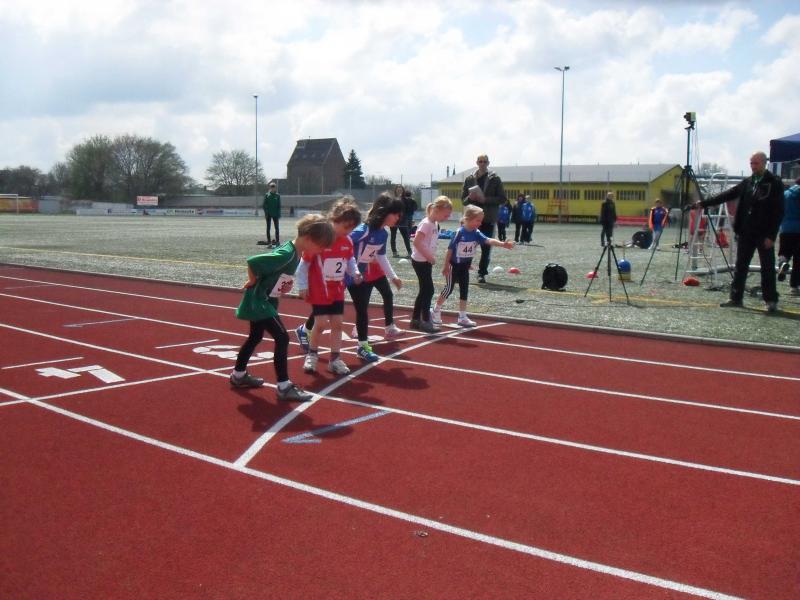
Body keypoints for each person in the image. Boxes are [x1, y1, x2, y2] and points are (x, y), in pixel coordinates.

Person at [229, 214, 334, 400]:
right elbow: (254, 261)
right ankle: (284, 387)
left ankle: (238, 375)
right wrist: (252, 280)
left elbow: (275, 273)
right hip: (259, 302)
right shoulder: (287, 254)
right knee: (282, 337)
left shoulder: (295, 252)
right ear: (308, 238)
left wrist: (283, 284)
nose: (322, 250)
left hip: (265, 301)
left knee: (255, 337)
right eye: (320, 246)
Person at [694, 151, 784, 312]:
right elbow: (728, 194)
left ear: (764, 163)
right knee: (740, 266)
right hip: (745, 232)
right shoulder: (747, 182)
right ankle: (735, 298)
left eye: (756, 163)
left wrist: (771, 235)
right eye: (751, 163)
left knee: (767, 267)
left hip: (764, 233)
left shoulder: (774, 183)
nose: (753, 166)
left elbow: (779, 211)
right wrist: (705, 203)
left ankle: (771, 300)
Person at [294, 197, 363, 375]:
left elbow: (349, 259)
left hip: (337, 289)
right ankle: (312, 354)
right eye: (346, 227)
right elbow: (303, 264)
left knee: (338, 323)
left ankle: (335, 359)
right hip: (319, 290)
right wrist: (302, 285)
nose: (349, 231)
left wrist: (355, 272)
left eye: (352, 228)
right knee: (321, 323)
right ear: (334, 220)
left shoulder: (347, 241)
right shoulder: (321, 240)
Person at [431, 205, 514, 327]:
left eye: (481, 221)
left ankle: (462, 317)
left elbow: (488, 240)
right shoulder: (459, 233)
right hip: (454, 266)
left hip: (464, 266)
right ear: (468, 219)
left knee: (464, 290)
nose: (480, 223)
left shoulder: (476, 233)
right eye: (478, 220)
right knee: (449, 289)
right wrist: (446, 266)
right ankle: (436, 310)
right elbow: (450, 250)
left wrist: (502, 244)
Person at [348, 193, 404, 362]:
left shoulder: (383, 234)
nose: (398, 218)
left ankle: (362, 347)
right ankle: (305, 329)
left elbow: (381, 256)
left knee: (361, 311)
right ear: (384, 212)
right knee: (326, 309)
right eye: (396, 214)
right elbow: (343, 243)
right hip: (344, 274)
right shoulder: (363, 231)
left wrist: (393, 277)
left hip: (359, 277)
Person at [410, 195, 453, 333]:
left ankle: (415, 320)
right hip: (420, 261)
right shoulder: (427, 223)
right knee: (429, 290)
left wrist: (430, 257)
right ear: (437, 210)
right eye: (445, 215)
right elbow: (416, 242)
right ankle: (425, 321)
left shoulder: (434, 224)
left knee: (424, 290)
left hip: (425, 261)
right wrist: (430, 257)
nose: (447, 218)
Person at [462, 154, 505, 283]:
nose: (482, 163)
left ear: (488, 163)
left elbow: (502, 198)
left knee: (486, 248)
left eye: (484, 161)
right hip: (472, 219)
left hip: (488, 218)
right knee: (467, 246)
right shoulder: (469, 179)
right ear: (476, 162)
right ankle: (462, 271)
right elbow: (463, 200)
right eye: (480, 161)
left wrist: (485, 199)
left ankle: (482, 273)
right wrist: (470, 198)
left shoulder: (495, 179)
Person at [777, 177, 800, 295]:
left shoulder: (785, 194)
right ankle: (794, 287)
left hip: (785, 228)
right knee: (798, 260)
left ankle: (782, 264)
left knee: (784, 252)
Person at [390, 184, 413, 258]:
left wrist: (409, 218)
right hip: (393, 220)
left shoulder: (406, 200)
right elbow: (389, 209)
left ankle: (409, 252)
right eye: (398, 190)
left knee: (406, 236)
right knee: (393, 236)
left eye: (401, 190)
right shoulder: (392, 199)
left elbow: (409, 209)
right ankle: (394, 252)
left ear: (403, 191)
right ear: (395, 190)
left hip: (403, 221)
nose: (399, 191)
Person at [262, 181, 281, 246]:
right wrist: (266, 213)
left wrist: (279, 214)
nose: (272, 188)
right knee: (268, 228)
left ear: (275, 188)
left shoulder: (278, 196)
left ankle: (277, 241)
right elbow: (264, 205)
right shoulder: (267, 195)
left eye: (274, 187)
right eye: (271, 187)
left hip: (275, 214)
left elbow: (279, 205)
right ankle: (269, 242)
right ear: (270, 188)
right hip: (268, 214)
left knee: (277, 228)